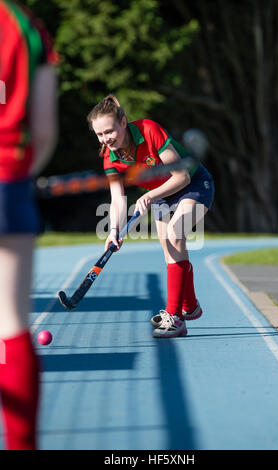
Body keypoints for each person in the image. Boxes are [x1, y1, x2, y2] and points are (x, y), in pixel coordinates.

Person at [87, 95, 214, 338]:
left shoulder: (148, 130)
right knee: (171, 254)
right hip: (160, 196)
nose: (106, 139)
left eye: (110, 131)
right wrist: (114, 231)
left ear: (123, 122)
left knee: (176, 235)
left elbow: (182, 177)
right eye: (100, 135)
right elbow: (117, 198)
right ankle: (190, 307)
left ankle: (173, 317)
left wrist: (149, 196)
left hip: (194, 184)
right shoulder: (109, 158)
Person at [0, 0, 58, 450]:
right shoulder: (23, 26)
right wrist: (21, 176)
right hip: (7, 182)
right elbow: (42, 133)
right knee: (11, 323)